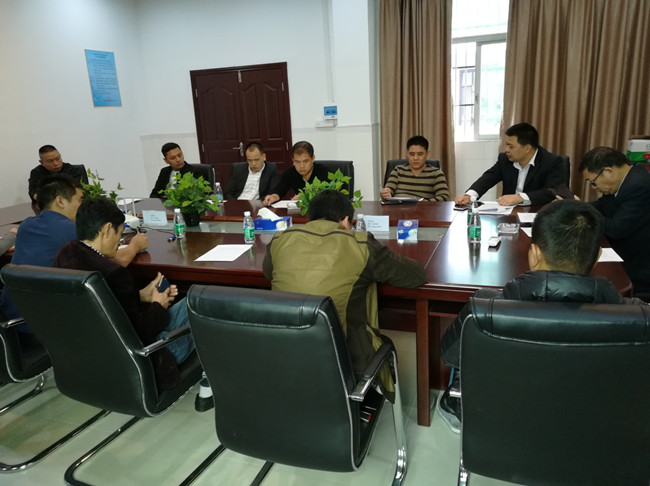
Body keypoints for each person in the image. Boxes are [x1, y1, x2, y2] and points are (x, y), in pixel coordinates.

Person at [437, 199, 647, 433]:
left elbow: (450, 354)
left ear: (534, 253)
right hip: (596, 429)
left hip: (503, 423)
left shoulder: (484, 307)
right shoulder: (638, 316)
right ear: (597, 255)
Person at [263, 190, 427, 400]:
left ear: (311, 217)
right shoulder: (361, 244)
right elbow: (415, 276)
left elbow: (269, 273)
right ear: (346, 220)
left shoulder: (280, 239)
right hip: (345, 358)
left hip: (284, 352)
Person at [54, 198, 195, 390]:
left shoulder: (65, 254)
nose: (119, 242)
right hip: (142, 362)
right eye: (119, 234)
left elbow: (104, 307)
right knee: (198, 304)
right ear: (107, 229)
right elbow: (140, 334)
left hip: (91, 358)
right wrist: (158, 305)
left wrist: (140, 296)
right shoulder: (114, 273)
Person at [0, 175, 147, 334]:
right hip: (50, 329)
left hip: (13, 321)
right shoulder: (73, 230)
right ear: (60, 201)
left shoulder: (25, 226)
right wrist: (135, 245)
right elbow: (118, 262)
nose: (81, 205)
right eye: (79, 200)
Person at [578, 146, 650, 299]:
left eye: (593, 182)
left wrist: (586, 214)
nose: (594, 188)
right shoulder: (624, 180)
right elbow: (602, 205)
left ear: (609, 171)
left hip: (637, 267)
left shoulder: (640, 186)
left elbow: (615, 229)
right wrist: (578, 207)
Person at [454, 123, 564, 206]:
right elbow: (488, 178)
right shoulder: (505, 159)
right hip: (508, 215)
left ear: (527, 148)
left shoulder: (552, 162)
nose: (506, 150)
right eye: (506, 145)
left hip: (537, 215)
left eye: (511, 146)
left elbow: (551, 192)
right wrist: (470, 195)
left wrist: (520, 198)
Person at [380, 135, 450, 201]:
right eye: (412, 154)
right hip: (398, 208)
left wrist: (423, 204)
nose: (415, 158)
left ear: (427, 154)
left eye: (420, 154)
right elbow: (388, 191)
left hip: (423, 208)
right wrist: (386, 193)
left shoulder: (436, 174)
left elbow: (444, 196)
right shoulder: (398, 171)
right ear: (407, 154)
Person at [262, 141, 329, 205]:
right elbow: (279, 190)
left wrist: (304, 196)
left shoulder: (322, 171)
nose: (302, 166)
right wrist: (273, 197)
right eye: (297, 162)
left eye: (305, 161)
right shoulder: (290, 173)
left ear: (313, 158)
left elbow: (327, 196)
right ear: (293, 160)